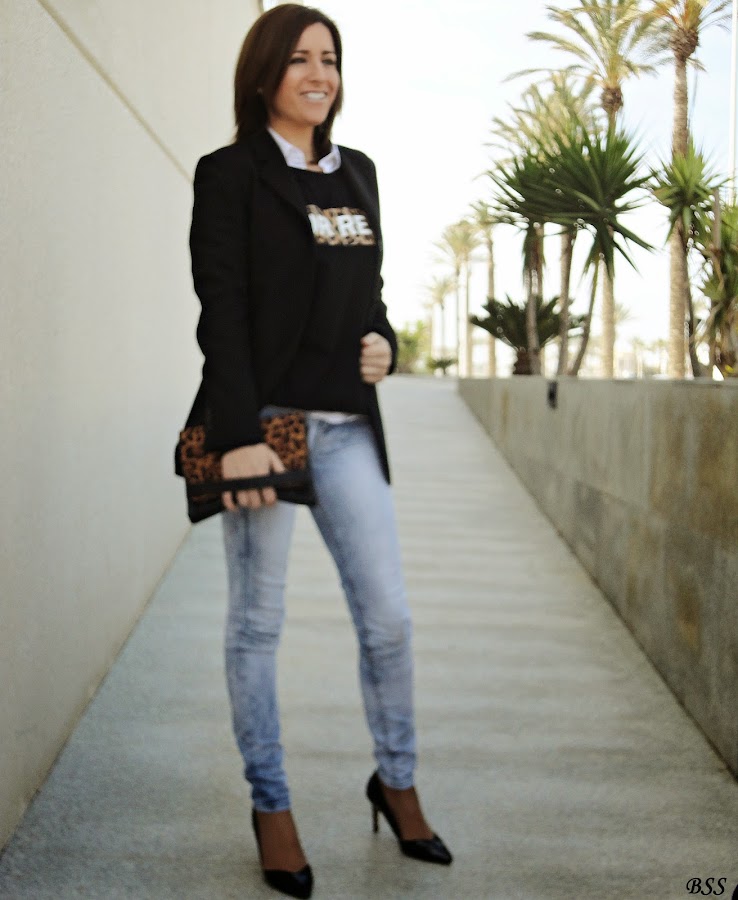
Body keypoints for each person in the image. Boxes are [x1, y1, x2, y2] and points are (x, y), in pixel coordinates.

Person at [187, 5, 452, 897]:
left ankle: (397, 782)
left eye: (329, 59)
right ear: (264, 73)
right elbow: (222, 312)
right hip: (265, 425)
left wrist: (386, 342)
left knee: (389, 617)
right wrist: (236, 439)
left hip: (345, 426)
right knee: (257, 623)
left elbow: (367, 293)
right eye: (299, 59)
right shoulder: (230, 174)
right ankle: (271, 805)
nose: (318, 75)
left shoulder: (358, 172)